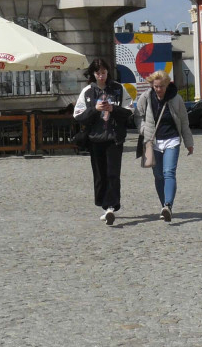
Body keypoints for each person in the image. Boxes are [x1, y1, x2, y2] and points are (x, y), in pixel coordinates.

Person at [73, 58, 134, 226]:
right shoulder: (87, 91)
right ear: (93, 74)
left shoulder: (118, 89)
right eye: (98, 73)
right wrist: (95, 110)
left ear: (108, 72)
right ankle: (103, 204)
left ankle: (111, 207)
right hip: (95, 139)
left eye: (104, 73)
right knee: (100, 175)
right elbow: (78, 116)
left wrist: (113, 109)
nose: (101, 76)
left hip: (114, 138)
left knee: (113, 173)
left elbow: (130, 111)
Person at [137, 71, 194, 223]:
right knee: (158, 175)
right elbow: (138, 114)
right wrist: (143, 129)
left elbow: (184, 121)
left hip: (172, 140)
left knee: (169, 172)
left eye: (161, 86)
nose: (158, 89)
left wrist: (189, 142)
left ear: (167, 84)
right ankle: (164, 206)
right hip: (153, 141)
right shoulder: (146, 97)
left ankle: (168, 205)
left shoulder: (176, 99)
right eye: (155, 86)